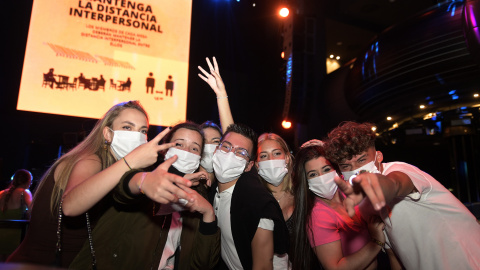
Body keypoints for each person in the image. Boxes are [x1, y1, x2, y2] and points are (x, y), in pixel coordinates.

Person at [7, 101, 193, 268]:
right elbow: (70, 206)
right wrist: (130, 161)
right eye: (127, 127)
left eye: (143, 131)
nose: (137, 136)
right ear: (107, 133)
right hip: (36, 264)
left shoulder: (115, 170)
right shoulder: (90, 159)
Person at [326, 121, 480, 269]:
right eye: (346, 166)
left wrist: (380, 185)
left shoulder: (400, 170)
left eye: (361, 160)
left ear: (378, 156)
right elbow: (395, 254)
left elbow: (396, 184)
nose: (356, 170)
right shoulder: (364, 205)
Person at [70, 122, 219, 270]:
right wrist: (143, 182)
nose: (186, 151)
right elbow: (123, 187)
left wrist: (208, 213)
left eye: (194, 148)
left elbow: (202, 264)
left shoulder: (197, 197)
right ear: (164, 149)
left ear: (200, 158)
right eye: (179, 144)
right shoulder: (145, 172)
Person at [291, 145, 385, 270]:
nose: (322, 177)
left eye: (326, 169)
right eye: (313, 174)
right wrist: (376, 242)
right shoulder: (319, 215)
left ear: (335, 169)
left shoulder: (347, 191)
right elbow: (335, 268)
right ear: (306, 181)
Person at [209, 123, 289, 269]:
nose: (230, 155)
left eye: (241, 152)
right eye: (226, 147)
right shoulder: (212, 192)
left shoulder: (256, 205)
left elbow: (263, 266)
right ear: (216, 150)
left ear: (249, 166)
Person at [256, 133, 295, 267]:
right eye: (264, 156)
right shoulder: (255, 200)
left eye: (277, 153)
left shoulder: (302, 195)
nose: (271, 160)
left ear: (287, 158)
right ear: (256, 164)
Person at [0, 170, 33, 258]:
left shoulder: (1, 193)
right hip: (15, 238)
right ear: (28, 181)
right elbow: (33, 210)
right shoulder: (25, 192)